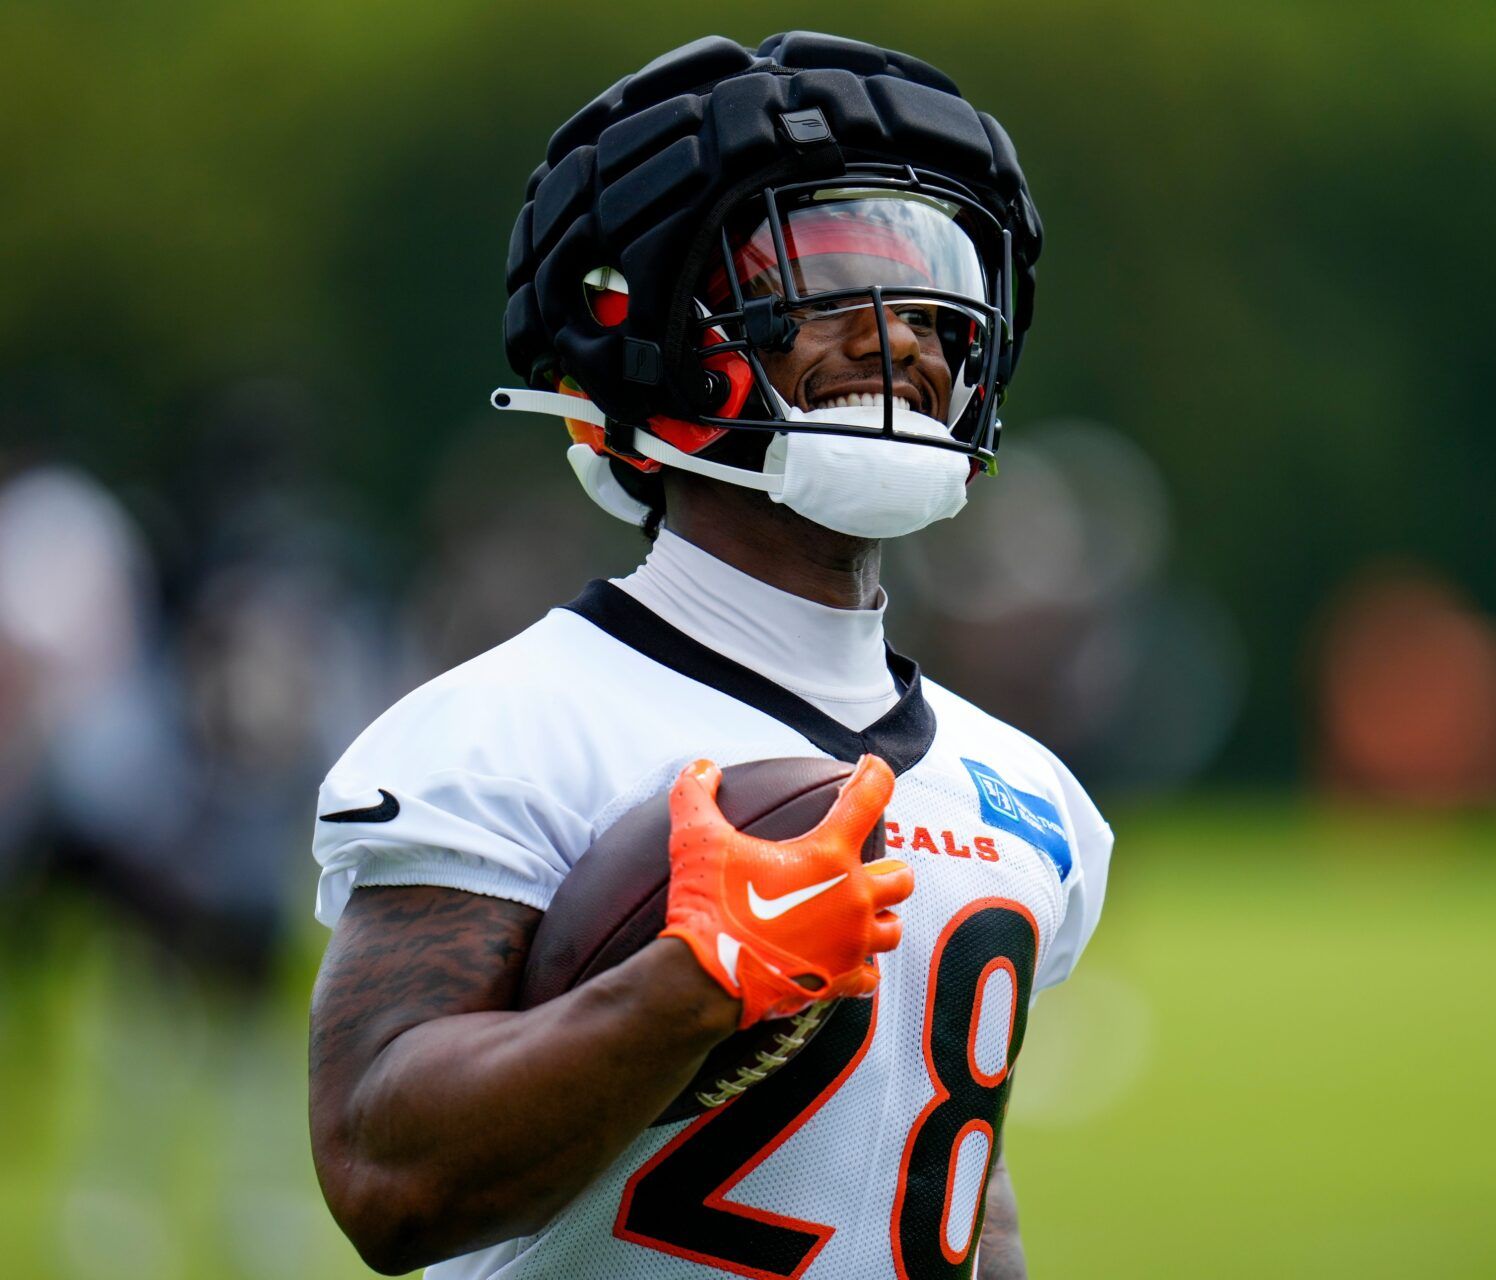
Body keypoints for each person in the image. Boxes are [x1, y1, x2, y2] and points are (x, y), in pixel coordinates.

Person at [306, 32, 1110, 1280]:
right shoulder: (508, 728)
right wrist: (689, 984)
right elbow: (385, 1176)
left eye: (929, 295)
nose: (899, 339)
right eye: (822, 284)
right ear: (647, 329)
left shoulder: (1033, 792)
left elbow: (952, 1180)